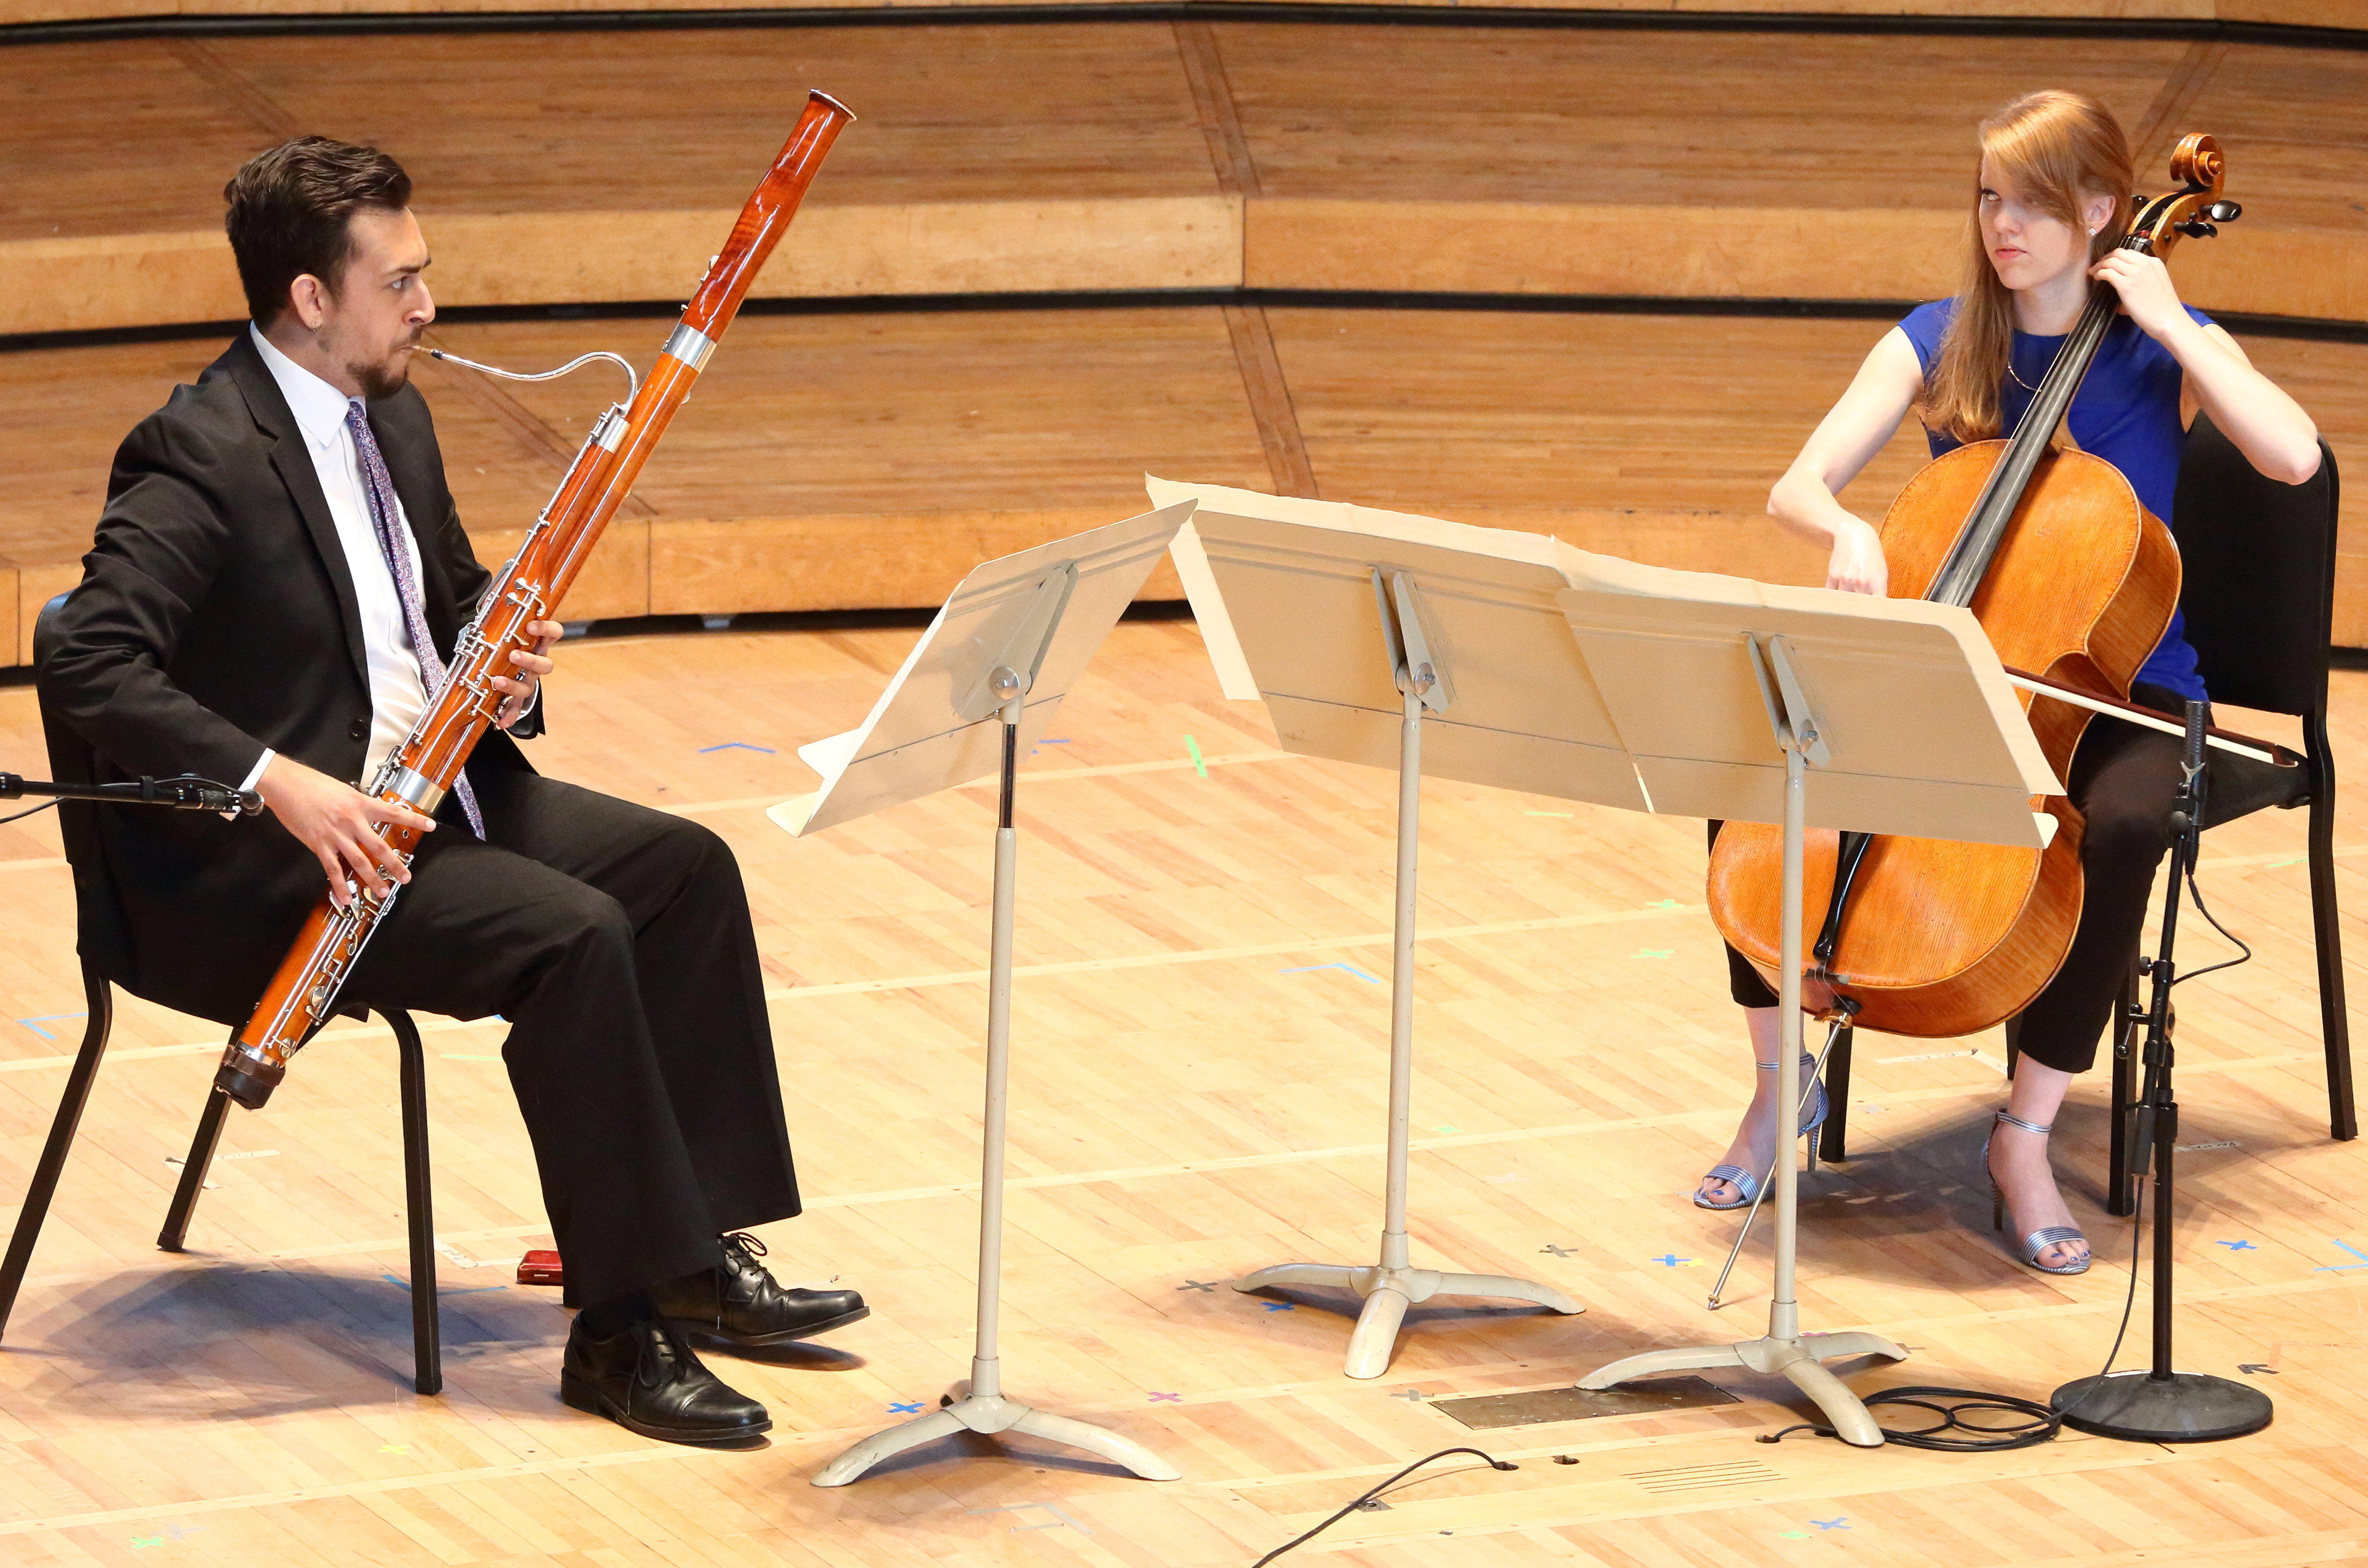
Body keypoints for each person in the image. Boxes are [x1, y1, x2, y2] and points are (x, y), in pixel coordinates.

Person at [39, 137, 865, 1443]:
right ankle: (618, 1329)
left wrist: (513, 661)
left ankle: (695, 1254)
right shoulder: (198, 451)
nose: (428, 306)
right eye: (402, 281)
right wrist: (280, 785)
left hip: (436, 798)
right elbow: (81, 651)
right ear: (312, 298)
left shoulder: (396, 410)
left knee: (684, 871)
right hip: (282, 863)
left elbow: (443, 607)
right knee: (573, 936)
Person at [1693, 91, 2321, 1273]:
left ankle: (2024, 1132)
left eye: (2032, 202)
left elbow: (2292, 456)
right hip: (1960, 673)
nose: (2003, 224)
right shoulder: (1941, 333)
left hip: (2124, 693)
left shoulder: (2153, 345)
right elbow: (1798, 483)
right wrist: (1842, 529)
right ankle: (1782, 1091)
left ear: (2101, 211)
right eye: (1989, 196)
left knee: (2126, 822)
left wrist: (2176, 325)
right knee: (1758, 769)